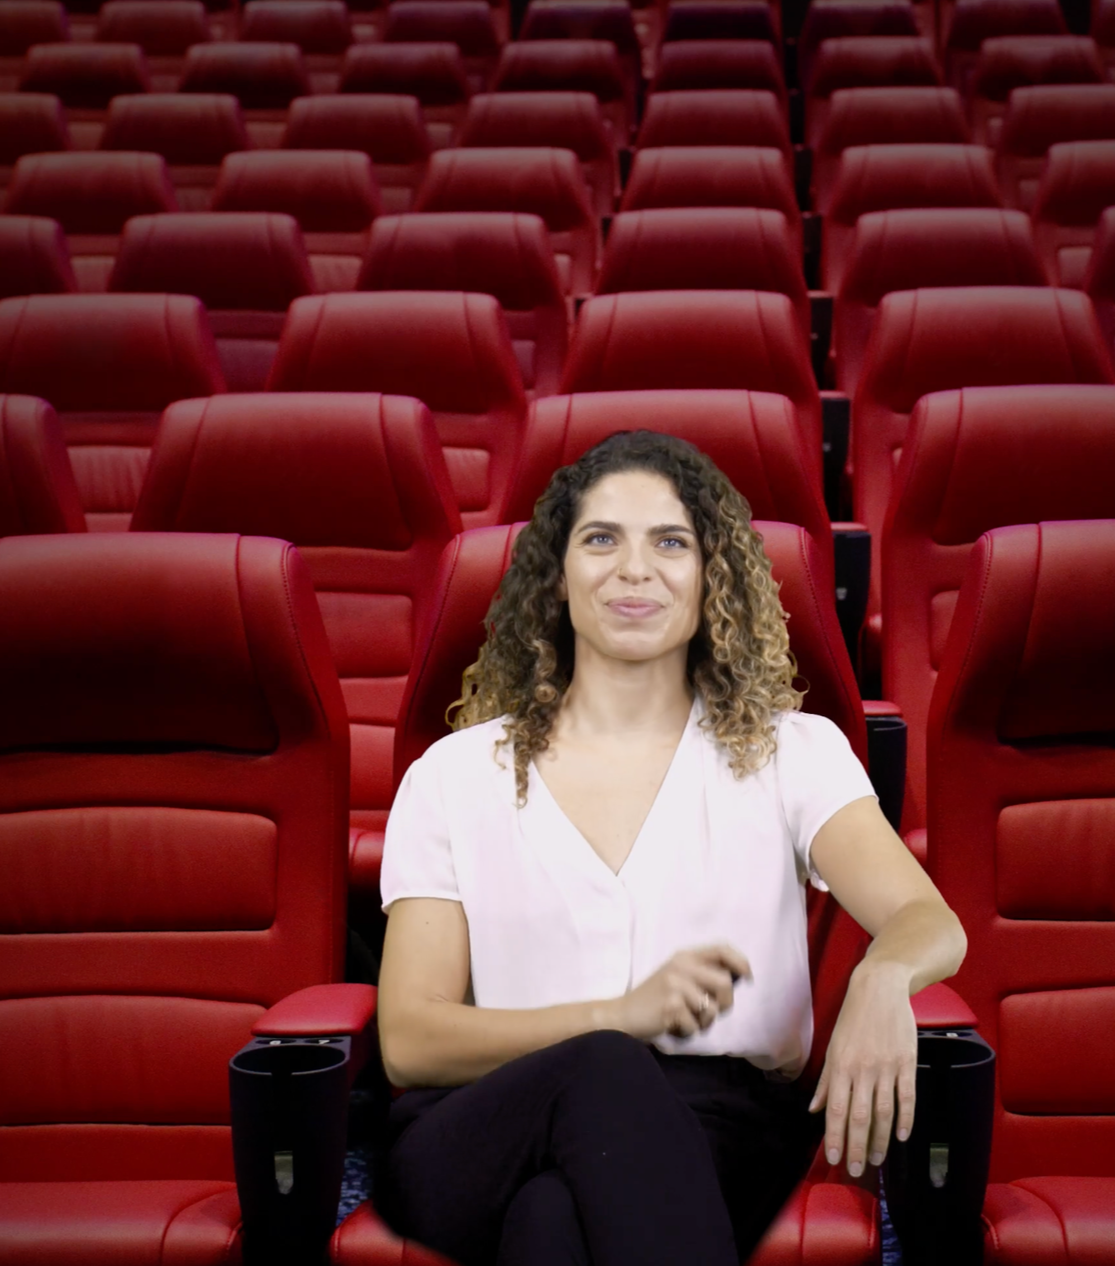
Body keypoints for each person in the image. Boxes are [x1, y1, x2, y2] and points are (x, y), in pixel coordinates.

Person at [376, 430, 966, 1266]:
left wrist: (883, 974)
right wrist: (617, 1021)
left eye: (670, 542)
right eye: (601, 538)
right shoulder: (455, 773)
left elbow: (926, 919)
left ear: (710, 578)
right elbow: (409, 1038)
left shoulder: (791, 751)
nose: (633, 568)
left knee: (550, 1222)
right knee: (602, 1072)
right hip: (482, 1120)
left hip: (717, 1128)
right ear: (556, 574)